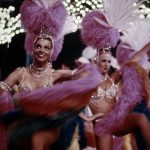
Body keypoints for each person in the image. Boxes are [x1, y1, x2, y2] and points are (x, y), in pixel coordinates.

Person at [79, 42, 150, 150]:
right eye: (103, 61)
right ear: (96, 62)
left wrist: (147, 46)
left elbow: (133, 60)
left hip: (116, 120)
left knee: (140, 118)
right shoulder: (88, 85)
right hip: (102, 125)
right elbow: (70, 101)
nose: (107, 64)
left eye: (108, 61)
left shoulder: (113, 79)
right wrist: (88, 118)